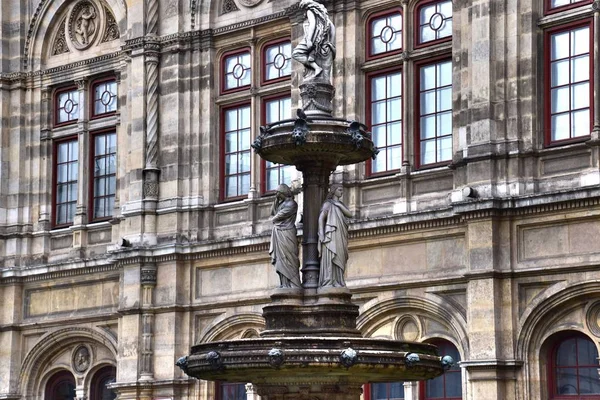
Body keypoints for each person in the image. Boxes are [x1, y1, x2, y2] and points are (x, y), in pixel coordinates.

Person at [318, 184, 352, 287]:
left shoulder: (339, 205)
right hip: (331, 236)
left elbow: (350, 214)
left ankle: (338, 280)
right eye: (340, 190)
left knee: (340, 256)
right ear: (334, 191)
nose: (341, 192)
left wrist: (339, 205)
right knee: (331, 256)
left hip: (340, 235)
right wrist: (321, 234)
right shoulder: (328, 204)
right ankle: (329, 280)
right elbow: (321, 218)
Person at [292, 0, 336, 80]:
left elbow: (312, 23)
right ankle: (316, 68)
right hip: (321, 40)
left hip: (313, 38)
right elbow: (332, 28)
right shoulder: (324, 17)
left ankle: (316, 68)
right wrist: (331, 45)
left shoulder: (309, 10)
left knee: (296, 53)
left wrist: (309, 40)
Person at [269, 184, 301, 288]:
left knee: (289, 258)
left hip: (287, 233)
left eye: (278, 193)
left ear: (283, 193)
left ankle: (293, 284)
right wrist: (276, 200)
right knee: (281, 259)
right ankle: (284, 283)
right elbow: (272, 212)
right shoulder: (281, 204)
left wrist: (274, 217)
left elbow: (275, 217)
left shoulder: (292, 204)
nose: (276, 195)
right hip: (280, 233)